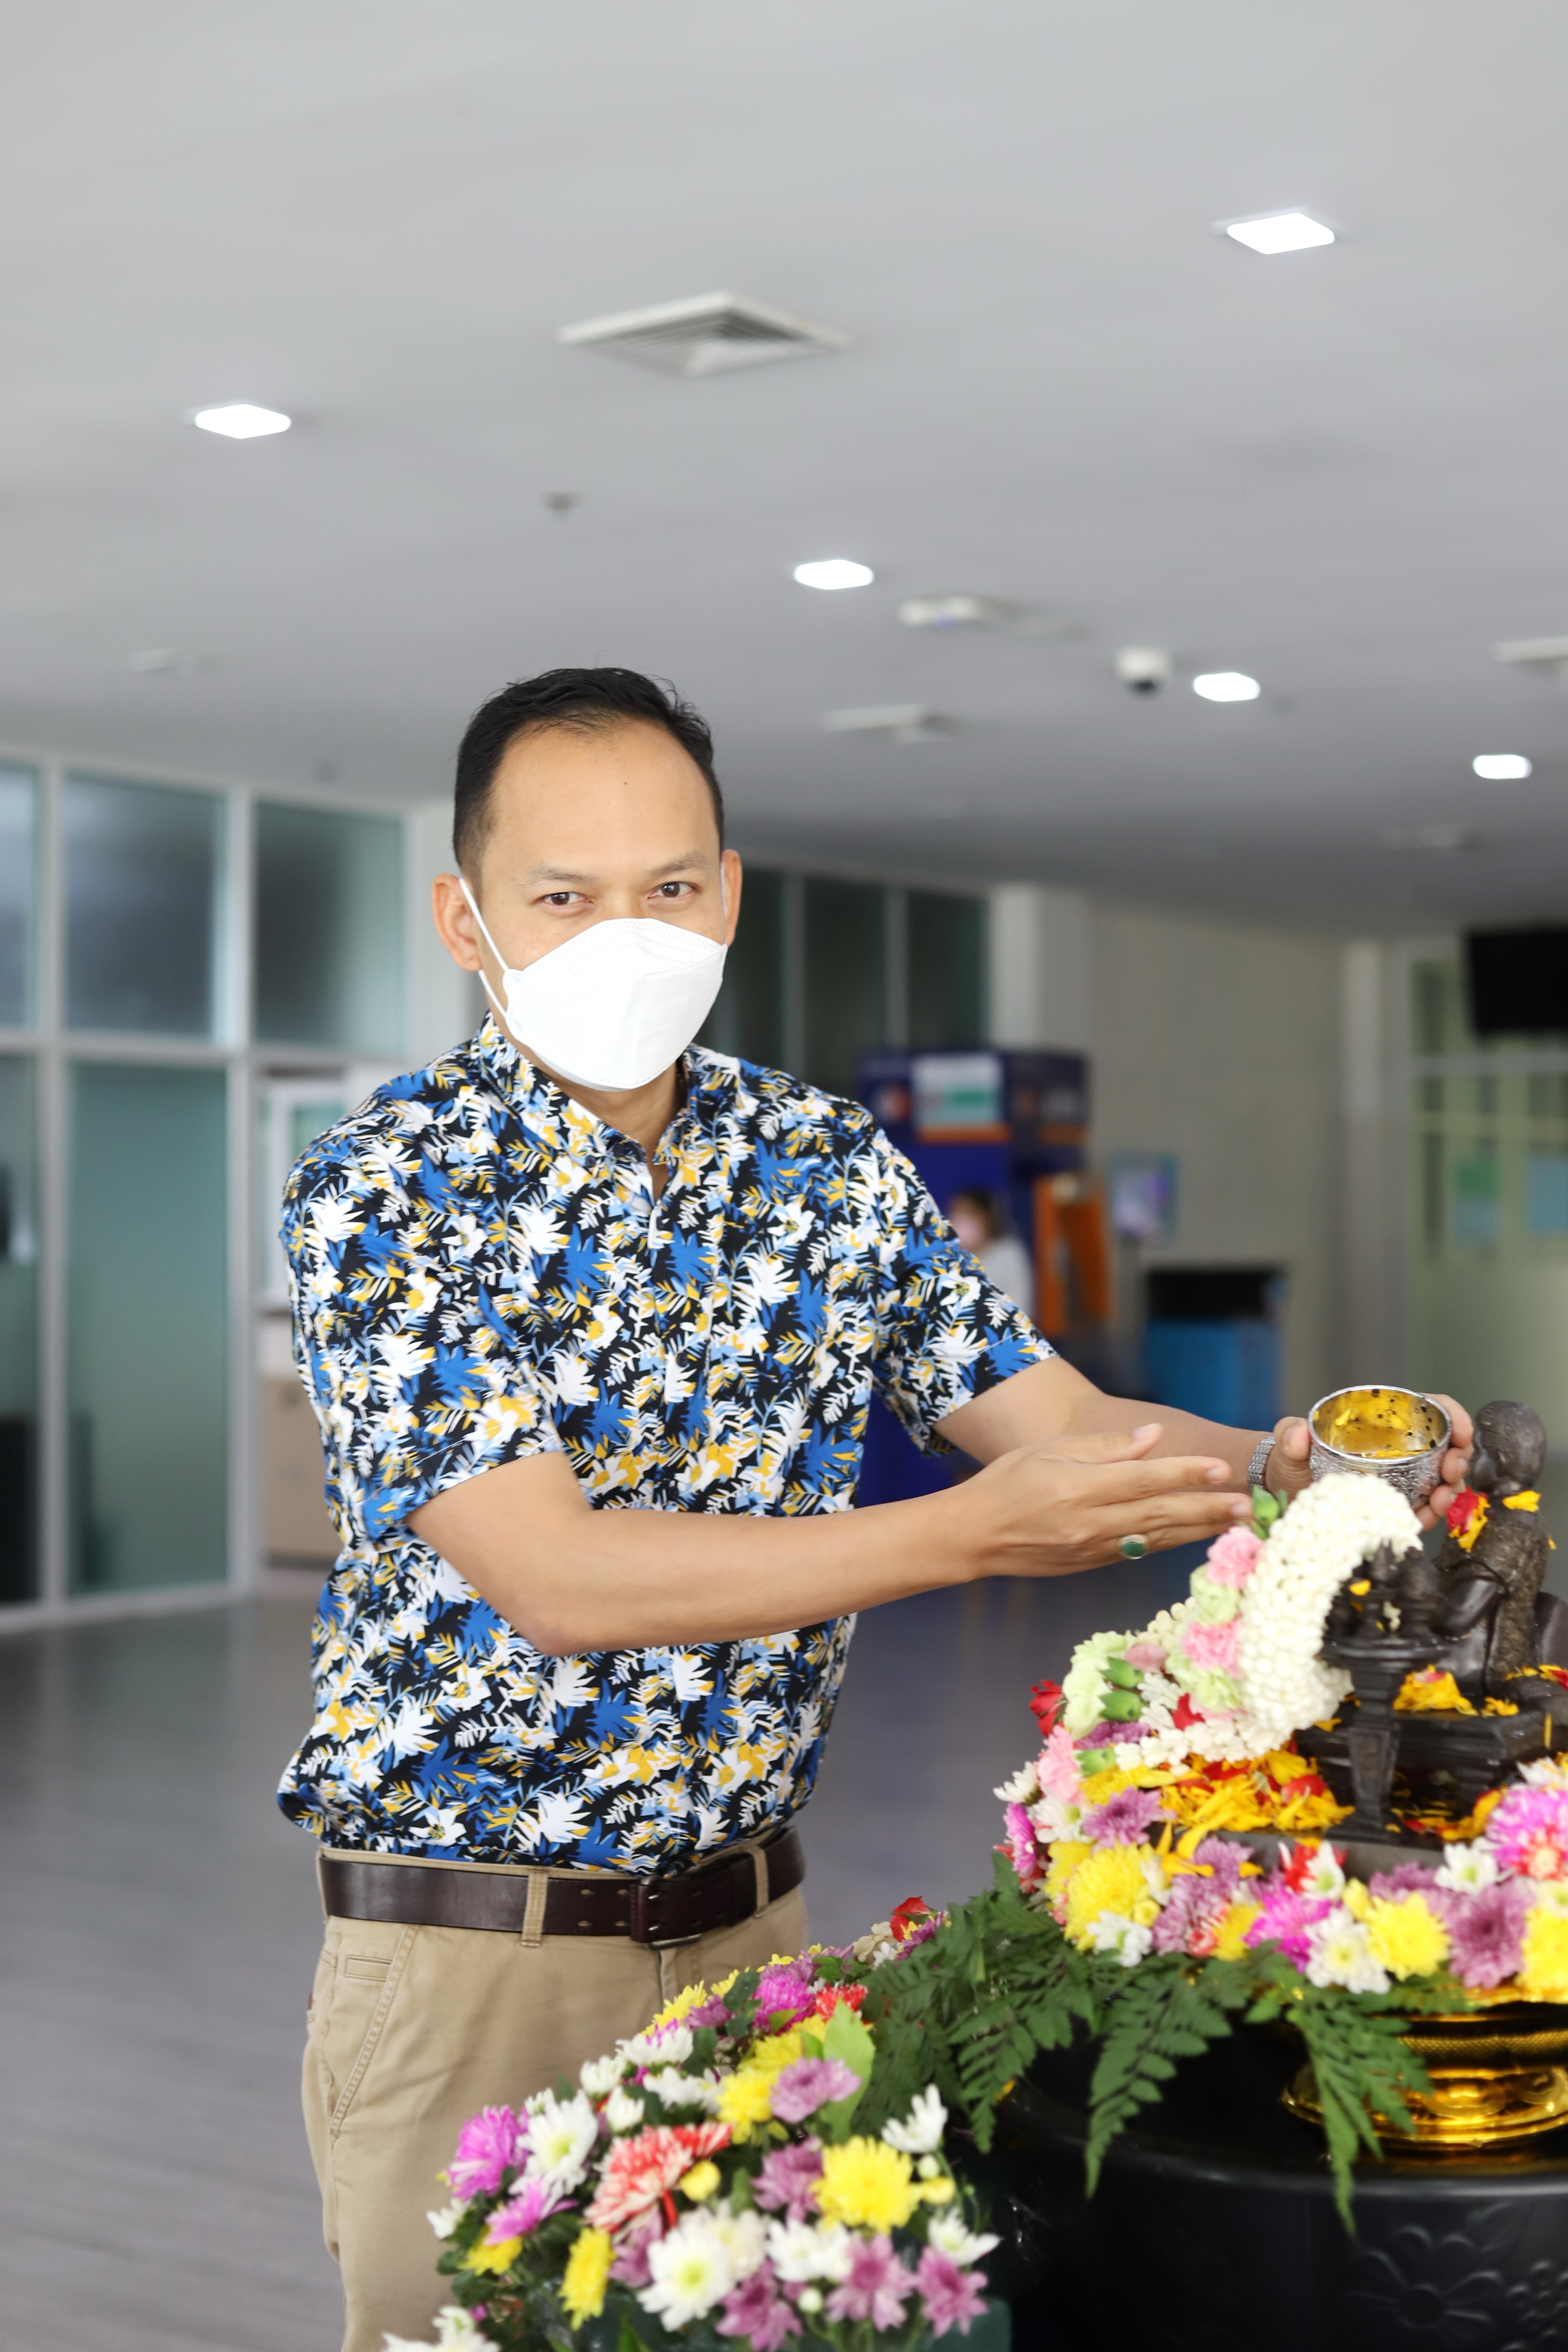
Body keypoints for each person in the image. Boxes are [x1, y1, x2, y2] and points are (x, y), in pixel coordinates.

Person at [278, 666, 1473, 2352]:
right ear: (462, 916)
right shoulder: (388, 1187)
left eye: (668, 887)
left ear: (728, 894)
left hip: (757, 1930)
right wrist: (969, 1534)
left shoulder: (823, 1165)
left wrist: (1289, 1468)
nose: (628, 936)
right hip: (476, 1956)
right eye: (563, 897)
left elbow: (1060, 1424)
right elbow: (553, 1575)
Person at [948, 1185, 1035, 1316]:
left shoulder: (1008, 1253)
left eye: (969, 1213)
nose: (961, 1220)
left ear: (988, 1217)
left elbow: (1020, 1306)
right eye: (957, 1213)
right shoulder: (949, 1259)